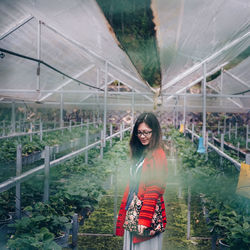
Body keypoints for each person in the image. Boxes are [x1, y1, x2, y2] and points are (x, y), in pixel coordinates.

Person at [116, 112, 168, 250]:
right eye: (139, 133)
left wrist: (144, 219)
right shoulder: (140, 153)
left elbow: (154, 187)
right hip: (133, 212)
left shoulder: (157, 154)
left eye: (146, 132)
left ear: (155, 132)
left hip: (146, 214)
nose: (142, 136)